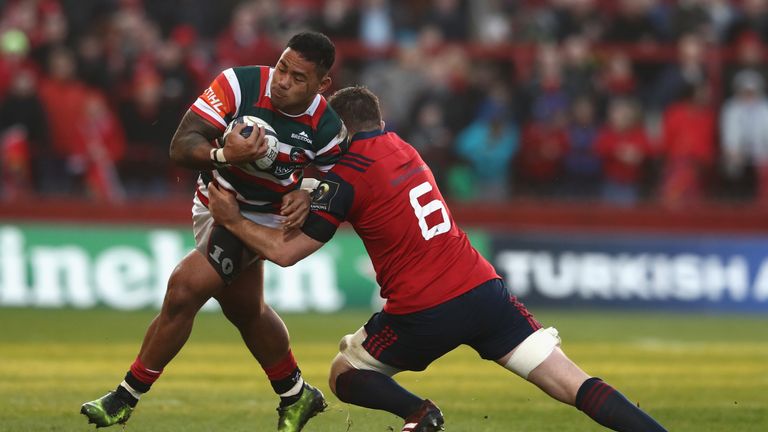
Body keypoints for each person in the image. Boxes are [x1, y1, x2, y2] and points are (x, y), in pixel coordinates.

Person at [206, 86, 668, 432]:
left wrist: (233, 218)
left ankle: (419, 414)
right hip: (484, 290)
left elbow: (287, 252)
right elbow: (361, 191)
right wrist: (312, 190)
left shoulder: (346, 175)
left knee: (345, 373)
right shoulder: (403, 148)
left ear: (341, 130)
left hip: (425, 310)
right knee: (573, 384)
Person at [80, 32, 348, 432]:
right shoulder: (238, 84)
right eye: (281, 68)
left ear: (322, 85)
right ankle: (296, 394)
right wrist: (224, 154)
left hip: (265, 219)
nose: (282, 81)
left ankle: (124, 397)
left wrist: (310, 192)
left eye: (297, 78)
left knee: (185, 288)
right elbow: (180, 145)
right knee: (245, 309)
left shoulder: (326, 128)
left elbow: (343, 183)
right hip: (212, 202)